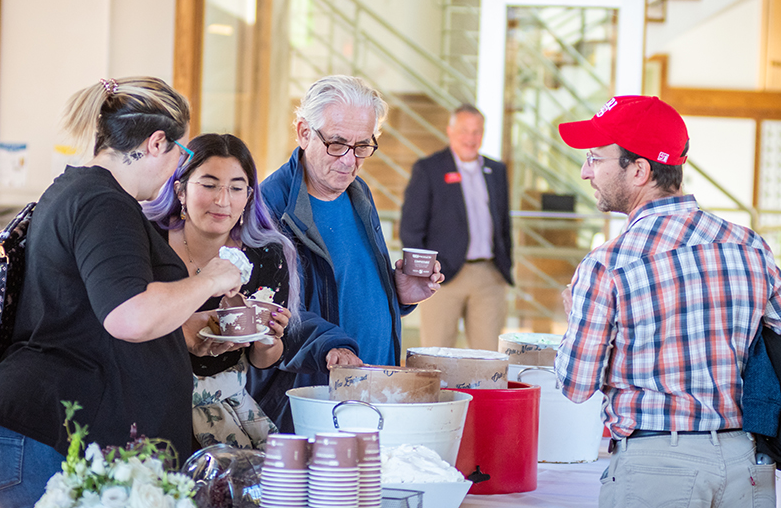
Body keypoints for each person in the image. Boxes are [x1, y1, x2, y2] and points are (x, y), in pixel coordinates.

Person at [0, 78, 243, 508]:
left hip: (40, 431)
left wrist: (185, 325)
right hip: (51, 436)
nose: (176, 164)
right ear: (156, 142)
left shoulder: (80, 191)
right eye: (180, 152)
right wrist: (211, 279)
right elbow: (127, 316)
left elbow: (86, 312)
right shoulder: (104, 203)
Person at [553, 95, 781, 507]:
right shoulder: (748, 245)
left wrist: (578, 322)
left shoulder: (608, 264)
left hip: (657, 467)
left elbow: (575, 385)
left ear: (639, 170)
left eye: (595, 158)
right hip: (746, 460)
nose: (586, 171)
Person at [258, 74, 445, 430]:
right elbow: (271, 310)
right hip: (312, 400)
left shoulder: (359, 194)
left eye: (362, 147)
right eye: (337, 144)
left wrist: (398, 293)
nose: (349, 160)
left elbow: (352, 283)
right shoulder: (269, 206)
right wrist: (332, 344)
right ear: (303, 132)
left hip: (373, 395)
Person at [144, 133, 295, 450]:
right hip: (145, 403)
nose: (223, 200)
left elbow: (263, 358)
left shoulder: (265, 256)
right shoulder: (146, 243)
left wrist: (270, 339)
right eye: (209, 185)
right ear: (180, 189)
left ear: (249, 195)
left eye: (236, 187)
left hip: (225, 412)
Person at [400, 104, 513, 351]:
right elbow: (411, 228)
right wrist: (423, 275)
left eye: (476, 131)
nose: (470, 138)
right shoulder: (429, 169)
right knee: (436, 353)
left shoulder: (496, 170)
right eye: (464, 130)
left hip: (488, 276)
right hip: (442, 277)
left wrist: (506, 264)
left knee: (489, 356)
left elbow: (504, 222)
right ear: (450, 131)